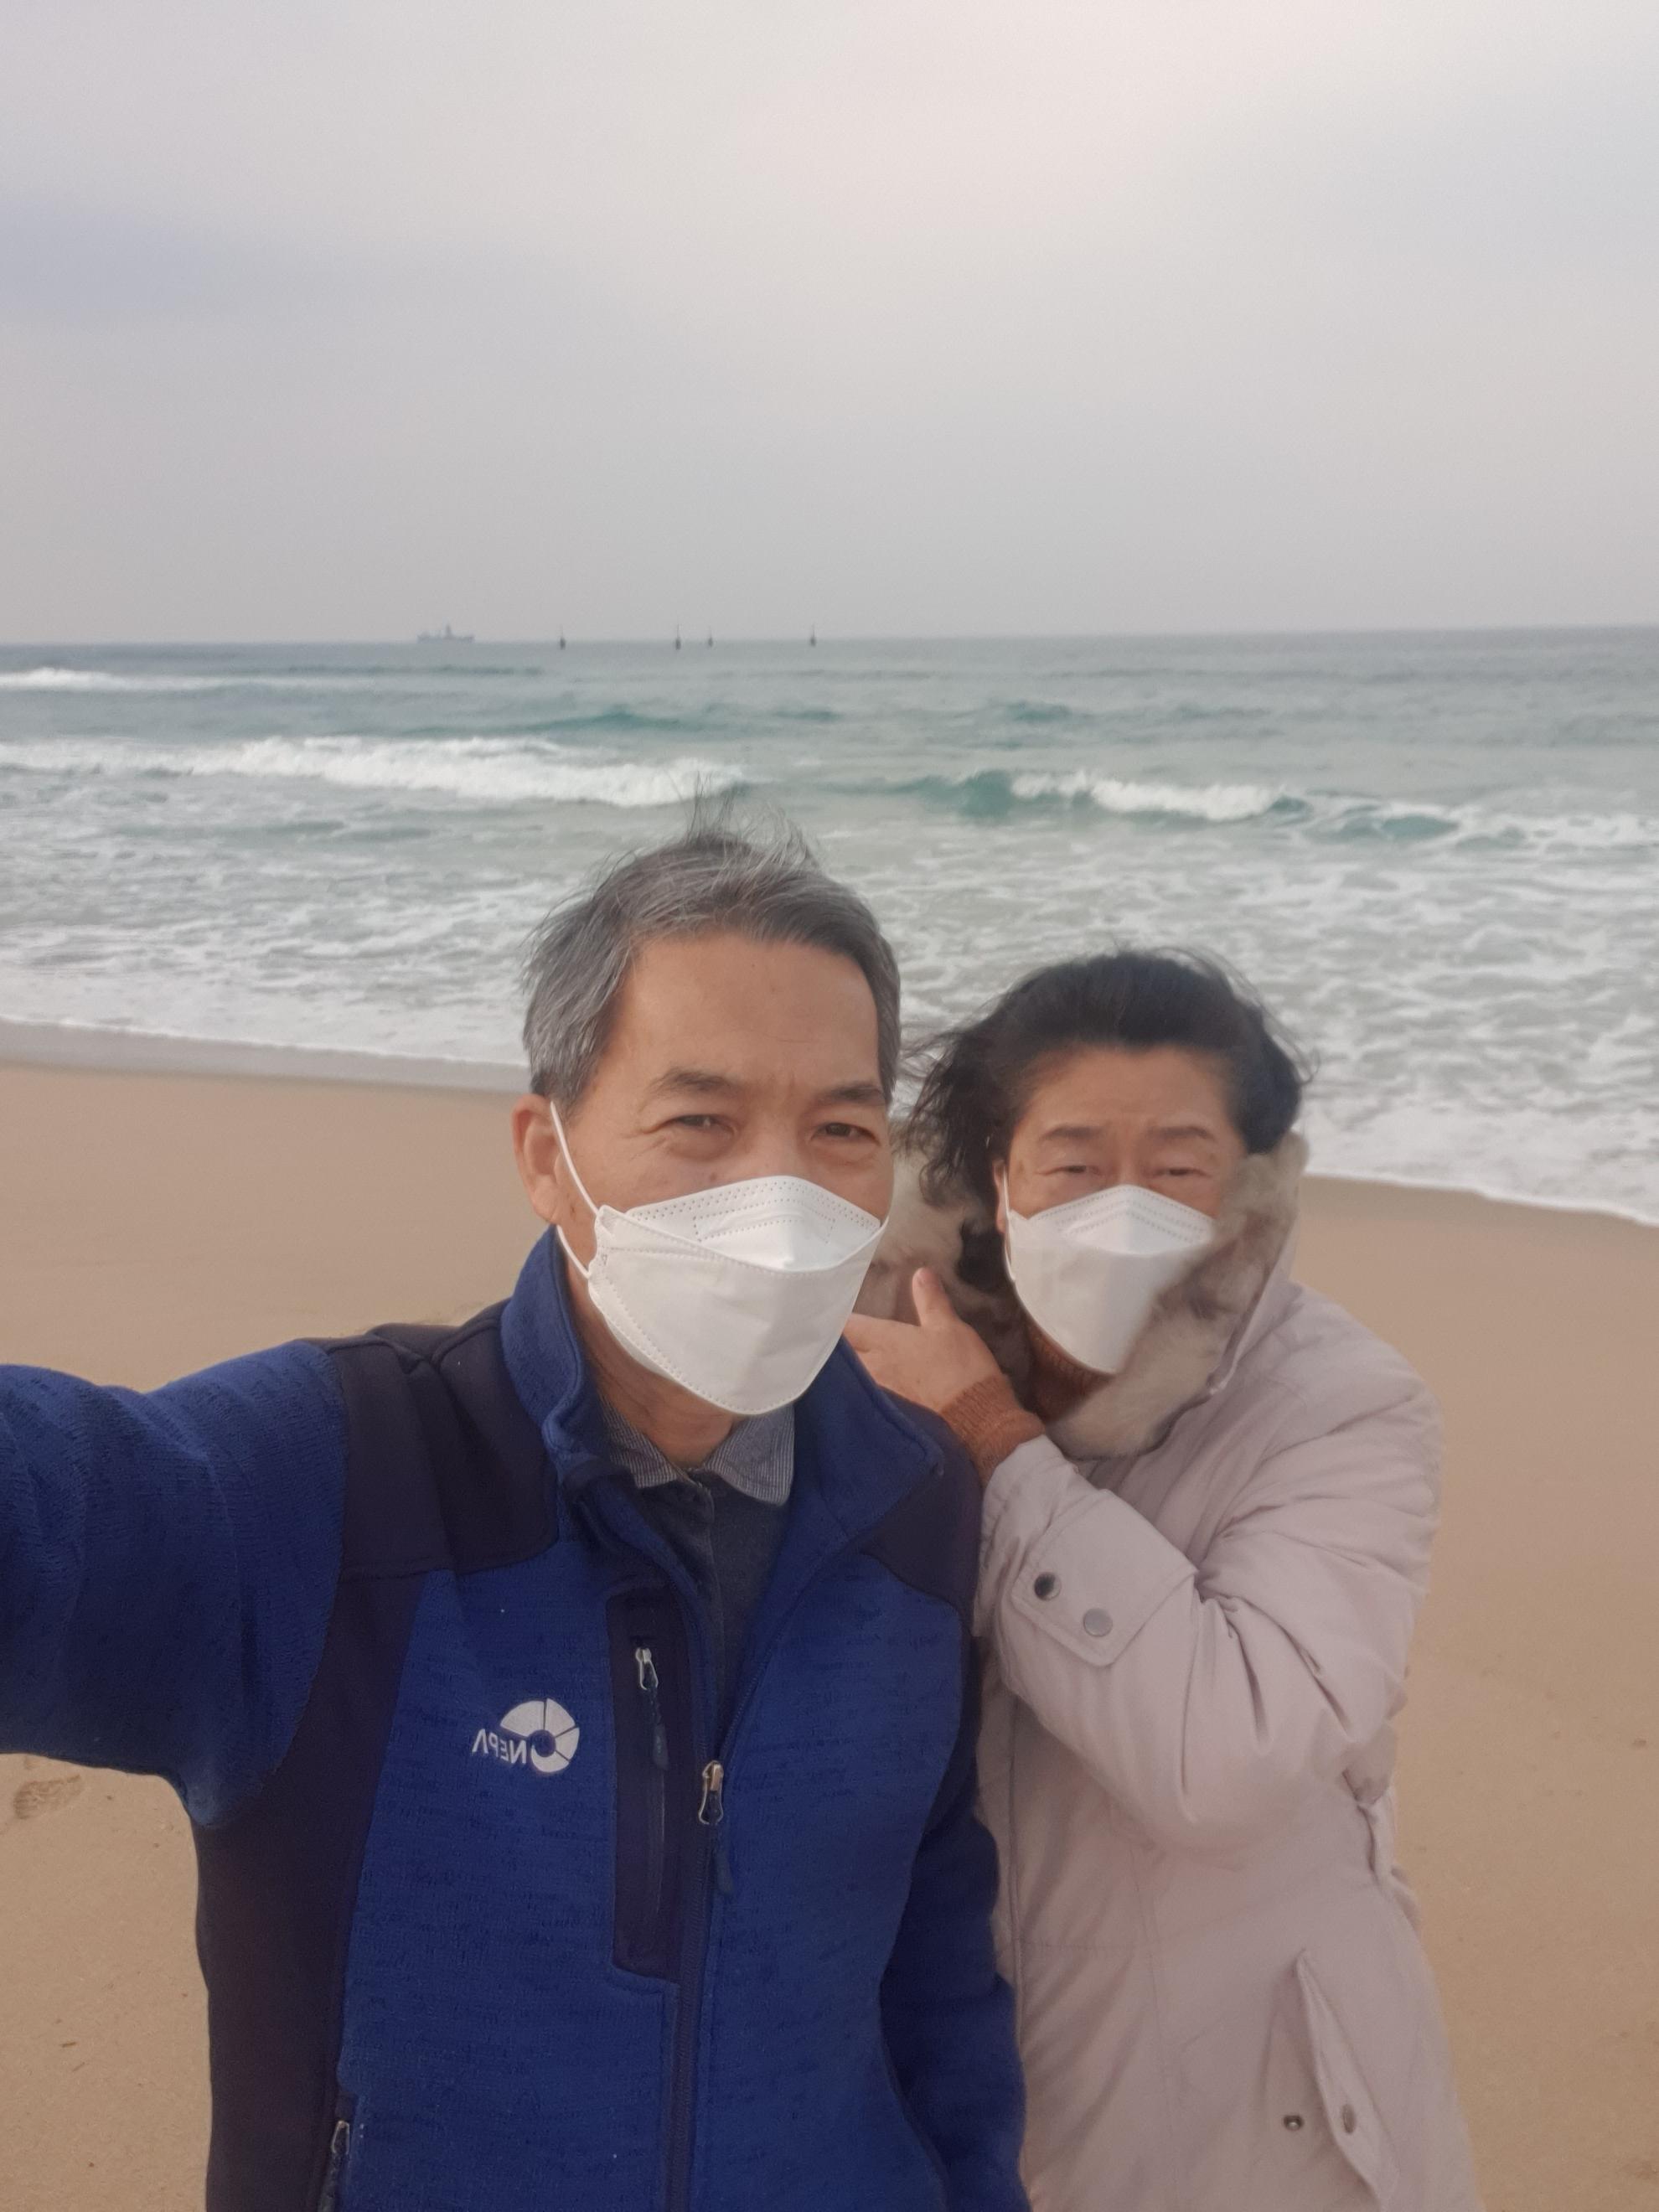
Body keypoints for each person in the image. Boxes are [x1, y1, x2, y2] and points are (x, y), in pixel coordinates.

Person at [0, 818, 1026, 2212]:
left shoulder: (915, 1505)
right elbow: (59, 1513)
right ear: (548, 1157)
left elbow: (936, 1962)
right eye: (701, 1122)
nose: (781, 1196)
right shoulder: (332, 1480)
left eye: (842, 1129)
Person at [848, 949, 1482, 2212]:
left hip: (1262, 2121)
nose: (1122, 1208)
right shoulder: (865, 1370)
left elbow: (1226, 1755)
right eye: (1075, 1165)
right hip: (947, 2097)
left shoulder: (1341, 1408)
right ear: (998, 1178)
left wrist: (994, 1447)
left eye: (1179, 1169)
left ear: (1246, 1190)